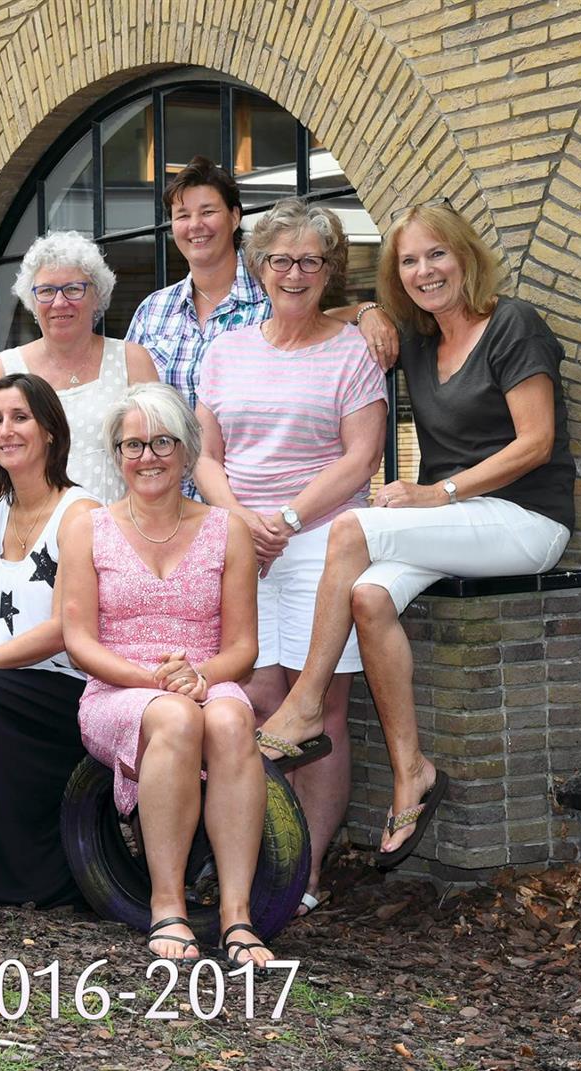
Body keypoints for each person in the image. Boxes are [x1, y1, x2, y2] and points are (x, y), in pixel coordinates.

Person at [260, 201, 576, 869]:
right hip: (454, 525)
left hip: (523, 519)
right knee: (369, 597)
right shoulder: (421, 337)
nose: (425, 270)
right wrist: (370, 312)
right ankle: (413, 770)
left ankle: (305, 702)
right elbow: (328, 311)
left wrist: (438, 491)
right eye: (408, 261)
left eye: (436, 254)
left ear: (465, 256)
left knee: (351, 528)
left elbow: (537, 442)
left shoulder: (513, 324)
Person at [194, 198, 388, 915]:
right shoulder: (226, 350)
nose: (295, 273)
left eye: (310, 260)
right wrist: (240, 519)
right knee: (256, 698)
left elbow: (362, 456)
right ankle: (257, 852)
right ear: (260, 267)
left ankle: (302, 871)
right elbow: (205, 456)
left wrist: (287, 518)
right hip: (241, 541)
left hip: (322, 543)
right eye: (281, 260)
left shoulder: (352, 351)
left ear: (330, 269)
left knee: (323, 706)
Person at [61, 383, 273, 966]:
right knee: (177, 718)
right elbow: (79, 642)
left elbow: (244, 648)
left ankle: (237, 915)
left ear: (187, 449)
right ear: (117, 455)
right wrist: (149, 680)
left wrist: (200, 676)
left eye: (162, 442)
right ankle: (168, 904)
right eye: (133, 445)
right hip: (118, 687)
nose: (147, 456)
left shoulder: (227, 529)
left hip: (205, 676)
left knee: (231, 720)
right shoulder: (87, 528)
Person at [126, 156, 398, 497]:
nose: (195, 225)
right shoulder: (152, 311)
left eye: (207, 211)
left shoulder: (278, 289)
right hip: (172, 504)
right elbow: (132, 412)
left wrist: (366, 310)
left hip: (258, 504)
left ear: (235, 216)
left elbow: (322, 327)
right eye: (182, 215)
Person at [0, 373, 98, 906]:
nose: (6, 430)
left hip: (64, 689)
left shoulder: (80, 514)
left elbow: (65, 627)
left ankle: (0, 874)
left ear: (50, 431)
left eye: (20, 417)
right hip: (0, 677)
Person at [0, 231, 159, 504]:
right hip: (35, 527)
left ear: (97, 295)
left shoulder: (132, 360)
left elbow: (158, 450)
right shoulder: (6, 368)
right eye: (46, 291)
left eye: (73, 289)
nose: (59, 302)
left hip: (122, 521)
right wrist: (23, 520)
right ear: (32, 301)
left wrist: (119, 521)